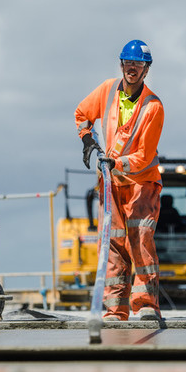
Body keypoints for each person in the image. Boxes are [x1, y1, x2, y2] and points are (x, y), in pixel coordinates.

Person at [75, 40, 165, 321]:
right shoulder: (107, 91)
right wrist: (87, 139)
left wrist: (116, 163)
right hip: (111, 184)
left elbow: (143, 155)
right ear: (122, 64)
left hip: (142, 184)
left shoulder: (153, 107)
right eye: (128, 62)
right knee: (113, 243)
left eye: (138, 64)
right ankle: (115, 310)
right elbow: (82, 114)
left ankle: (147, 305)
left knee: (140, 240)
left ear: (146, 70)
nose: (132, 68)